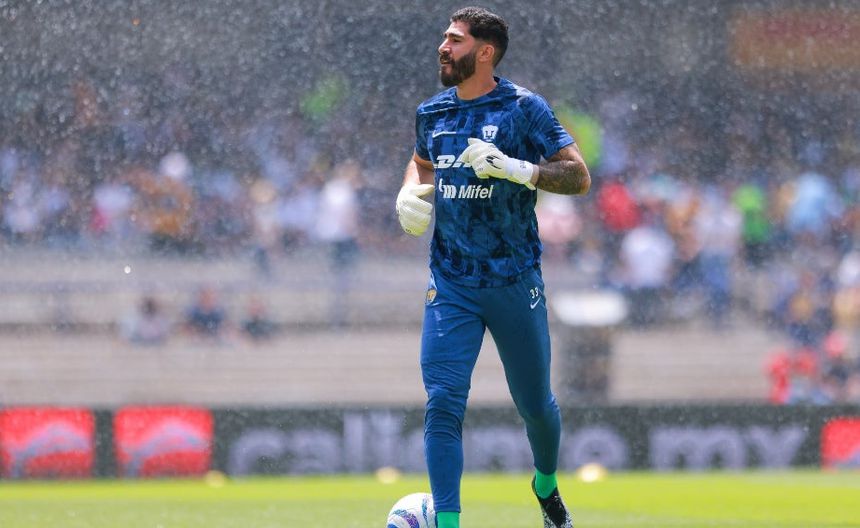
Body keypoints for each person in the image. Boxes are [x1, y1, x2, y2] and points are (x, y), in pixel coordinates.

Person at [395, 7, 590, 528]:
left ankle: (545, 487)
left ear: (485, 52)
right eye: (445, 37)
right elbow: (422, 162)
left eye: (454, 40)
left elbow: (578, 176)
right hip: (451, 283)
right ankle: (449, 523)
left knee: (536, 406)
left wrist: (519, 169)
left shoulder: (524, 108)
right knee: (443, 402)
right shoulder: (431, 112)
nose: (443, 47)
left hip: (514, 281)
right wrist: (408, 191)